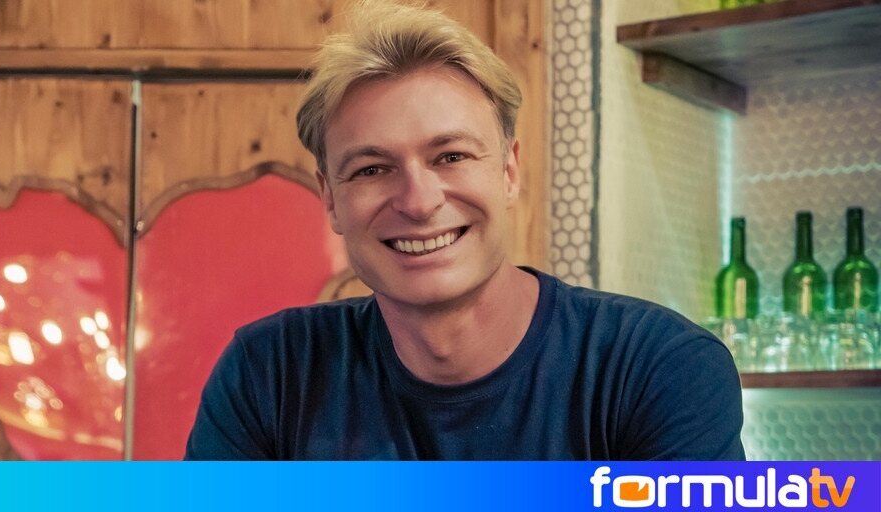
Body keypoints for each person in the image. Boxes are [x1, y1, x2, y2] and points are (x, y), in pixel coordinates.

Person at [184, 0, 744, 460]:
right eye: (372, 169)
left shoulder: (659, 369)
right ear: (330, 197)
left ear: (508, 171)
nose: (419, 201)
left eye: (451, 156)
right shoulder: (270, 373)